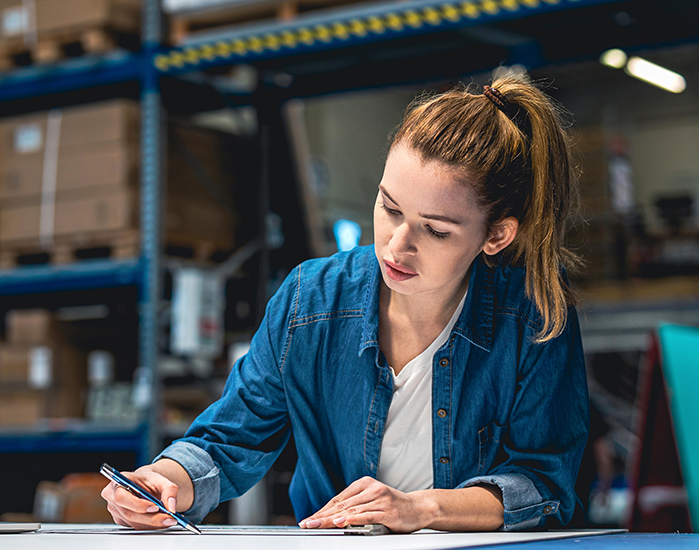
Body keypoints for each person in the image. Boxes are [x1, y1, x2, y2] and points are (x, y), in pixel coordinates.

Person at [102, 75, 589, 533]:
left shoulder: (534, 314)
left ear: (497, 236)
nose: (397, 246)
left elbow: (544, 482)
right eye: (389, 207)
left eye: (436, 230)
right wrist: (165, 481)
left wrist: (420, 508)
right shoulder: (309, 299)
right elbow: (230, 437)